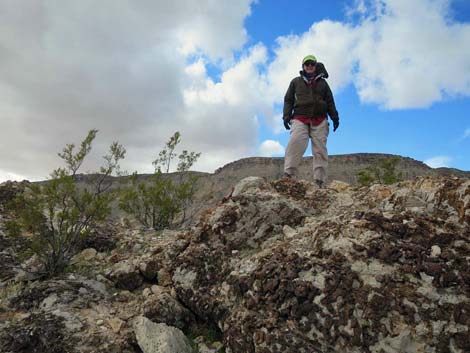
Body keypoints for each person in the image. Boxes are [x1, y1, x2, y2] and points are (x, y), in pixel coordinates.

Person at [282, 55, 339, 188]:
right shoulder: (295, 82)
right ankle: (289, 175)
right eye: (306, 64)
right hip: (299, 118)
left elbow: (330, 102)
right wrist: (286, 116)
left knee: (320, 149)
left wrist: (335, 117)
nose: (309, 66)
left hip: (319, 119)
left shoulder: (323, 83)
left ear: (315, 66)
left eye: (312, 64)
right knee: (295, 142)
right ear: (303, 67)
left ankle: (320, 180)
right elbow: (288, 100)